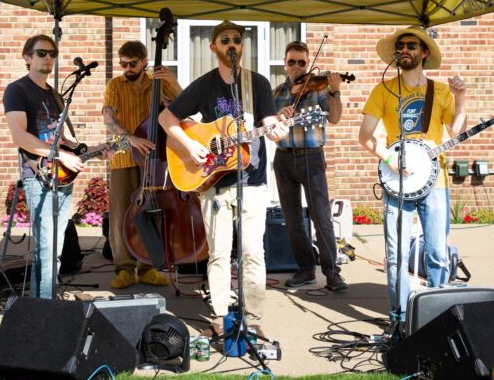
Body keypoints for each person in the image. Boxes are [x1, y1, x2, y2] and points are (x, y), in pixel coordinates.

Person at [159, 20, 288, 338]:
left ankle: (253, 317)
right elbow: (166, 117)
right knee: (218, 253)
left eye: (237, 40)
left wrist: (278, 131)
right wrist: (190, 145)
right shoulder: (204, 85)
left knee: (252, 252)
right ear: (213, 47)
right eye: (225, 40)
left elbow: (269, 123)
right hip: (214, 182)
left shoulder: (257, 84)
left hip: (252, 181)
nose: (232, 44)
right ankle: (219, 315)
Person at [357, 26, 467, 328]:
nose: (404, 50)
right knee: (396, 255)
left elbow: (455, 130)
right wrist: (389, 158)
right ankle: (400, 320)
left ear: (424, 52)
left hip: (435, 181)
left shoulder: (440, 91)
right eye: (400, 46)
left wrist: (461, 98)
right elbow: (365, 136)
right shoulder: (383, 90)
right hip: (398, 182)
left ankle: (438, 317)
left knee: (437, 253)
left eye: (411, 45)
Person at [3, 34, 83, 299]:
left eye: (52, 53)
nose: (48, 58)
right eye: (41, 53)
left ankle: (44, 304)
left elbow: (64, 139)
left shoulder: (55, 95)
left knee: (54, 250)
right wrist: (60, 156)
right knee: (47, 249)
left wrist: (91, 150)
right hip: (39, 177)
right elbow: (20, 136)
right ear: (27, 57)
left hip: (62, 176)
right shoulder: (17, 90)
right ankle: (46, 308)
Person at [102, 40, 182, 289]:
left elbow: (184, 107)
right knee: (120, 214)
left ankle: (148, 266)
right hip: (124, 156)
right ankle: (124, 268)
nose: (127, 68)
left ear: (144, 62)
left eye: (132, 64)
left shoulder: (157, 83)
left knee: (154, 212)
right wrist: (131, 138)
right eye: (123, 63)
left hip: (154, 159)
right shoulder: (115, 85)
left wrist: (172, 81)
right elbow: (108, 117)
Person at [271, 41, 348, 292]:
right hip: (284, 157)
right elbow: (268, 127)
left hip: (312, 157)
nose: (297, 66)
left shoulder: (320, 88)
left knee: (321, 217)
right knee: (292, 220)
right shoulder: (276, 92)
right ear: (285, 63)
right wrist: (277, 117)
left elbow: (335, 118)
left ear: (307, 63)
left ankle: (332, 273)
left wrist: (335, 91)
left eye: (301, 62)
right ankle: (305, 270)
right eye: (292, 62)